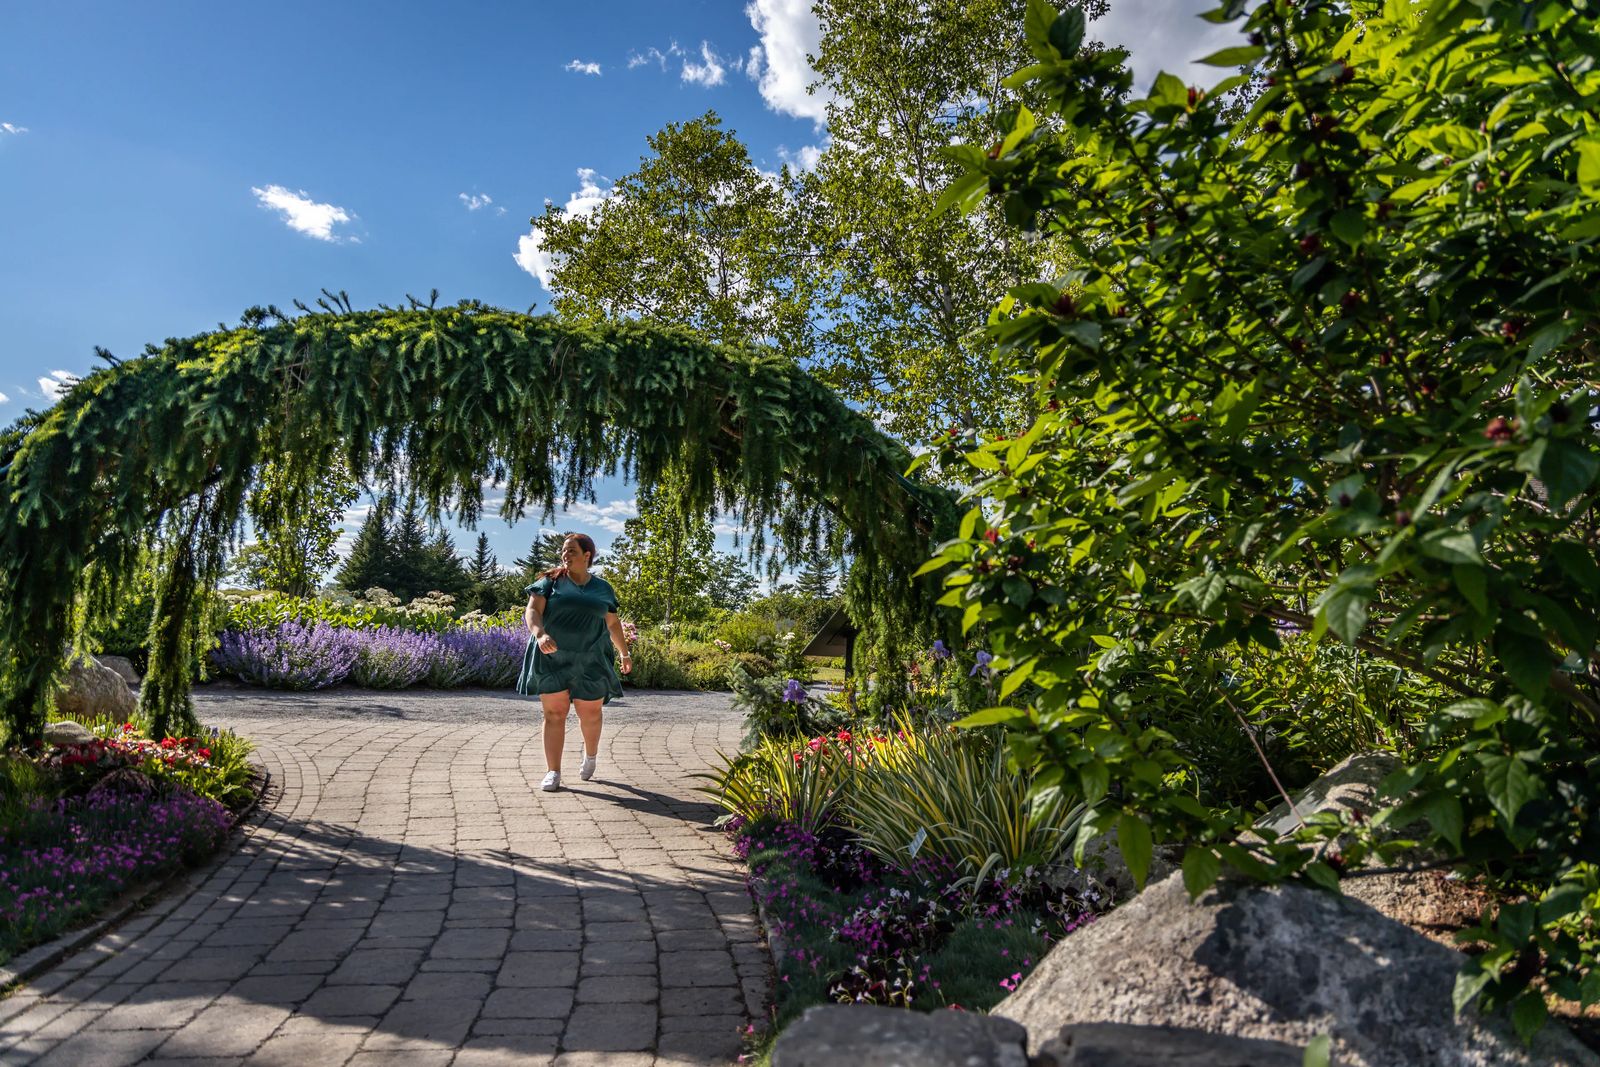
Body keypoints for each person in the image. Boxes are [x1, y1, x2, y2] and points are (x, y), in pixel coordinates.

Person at [517, 533, 631, 791]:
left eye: (571, 551)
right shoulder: (550, 582)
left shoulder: (603, 588)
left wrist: (624, 653)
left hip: (591, 658)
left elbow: (612, 623)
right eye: (563, 551)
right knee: (554, 713)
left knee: (590, 713)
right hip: (552, 656)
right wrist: (540, 633)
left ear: (586, 555)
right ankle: (553, 772)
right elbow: (533, 610)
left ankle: (590, 756)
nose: (565, 555)